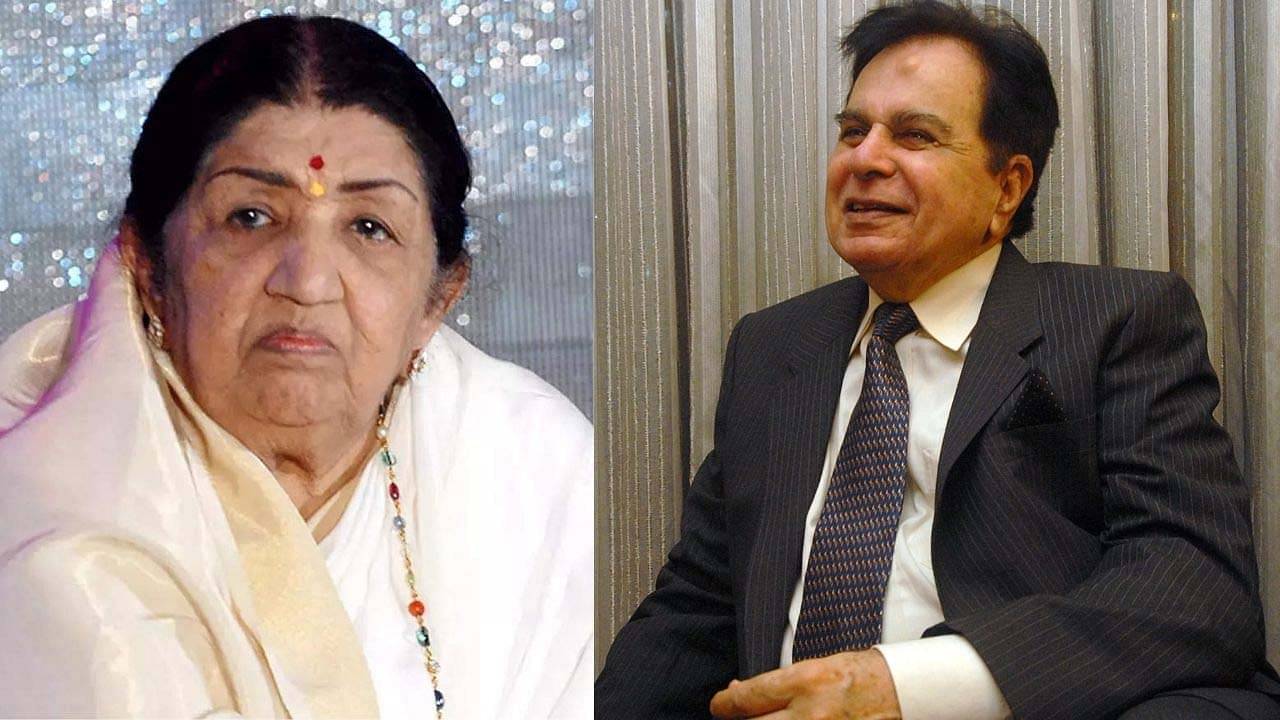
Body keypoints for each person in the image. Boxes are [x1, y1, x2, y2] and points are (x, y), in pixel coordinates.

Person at [596, 2, 1278, 719]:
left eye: (914, 135)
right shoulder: (773, 346)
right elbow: (698, 603)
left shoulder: (1118, 321)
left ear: (1007, 187)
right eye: (853, 131)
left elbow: (1195, 583)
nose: (864, 159)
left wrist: (903, 687)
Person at [0, 15, 591, 719]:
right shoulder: (34, 495)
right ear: (147, 265)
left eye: (369, 228)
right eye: (251, 217)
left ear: (437, 301)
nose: (308, 282)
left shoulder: (532, 477)